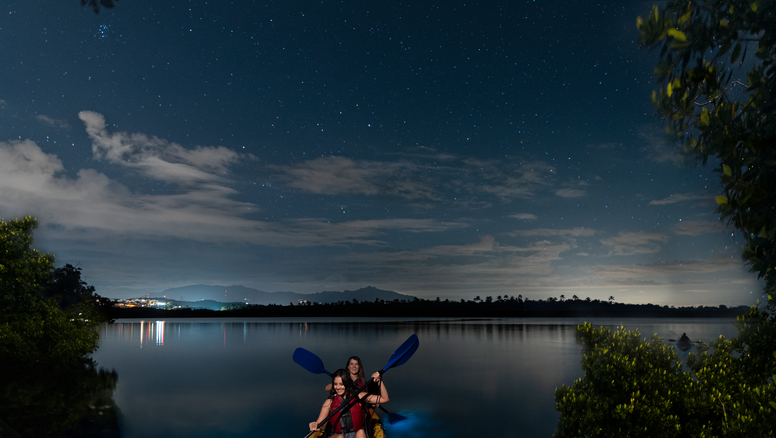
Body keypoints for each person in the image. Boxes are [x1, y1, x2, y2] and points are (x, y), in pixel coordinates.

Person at [309, 368, 389, 438]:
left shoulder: (359, 396)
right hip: (337, 434)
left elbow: (385, 399)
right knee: (340, 437)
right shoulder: (330, 401)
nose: (337, 387)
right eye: (335, 384)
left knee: (361, 432)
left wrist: (379, 382)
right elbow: (319, 423)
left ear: (347, 384)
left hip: (355, 434)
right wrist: (314, 424)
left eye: (341, 384)